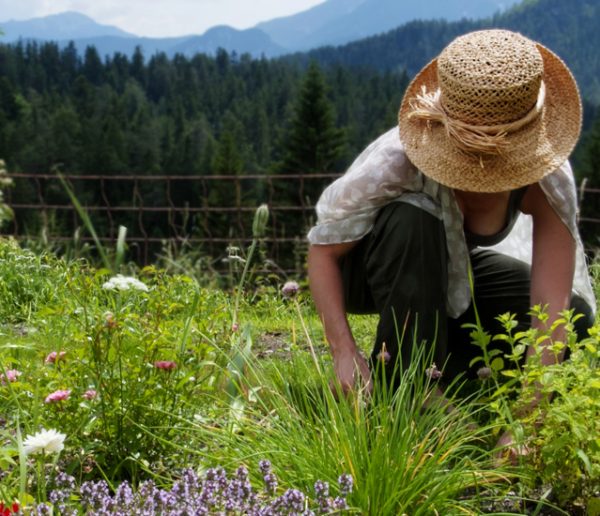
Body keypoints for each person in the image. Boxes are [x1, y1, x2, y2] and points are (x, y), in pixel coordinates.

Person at [306, 30, 596, 425]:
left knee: (574, 316)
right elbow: (323, 253)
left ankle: (449, 372)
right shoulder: (399, 160)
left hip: (446, 273)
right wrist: (343, 349)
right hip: (371, 270)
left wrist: (528, 419)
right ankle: (410, 387)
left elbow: (550, 309)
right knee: (415, 217)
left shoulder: (547, 177)